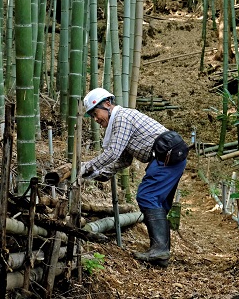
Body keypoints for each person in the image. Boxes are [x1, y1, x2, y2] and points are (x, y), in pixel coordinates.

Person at [80, 87, 188, 267]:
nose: (96, 119)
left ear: (108, 104)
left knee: (147, 196)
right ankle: (161, 254)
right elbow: (124, 160)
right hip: (169, 155)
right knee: (158, 203)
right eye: (91, 116)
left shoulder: (122, 117)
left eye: (95, 113)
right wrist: (98, 174)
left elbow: (113, 153)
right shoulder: (119, 122)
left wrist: (85, 167)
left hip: (166, 155)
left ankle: (160, 250)